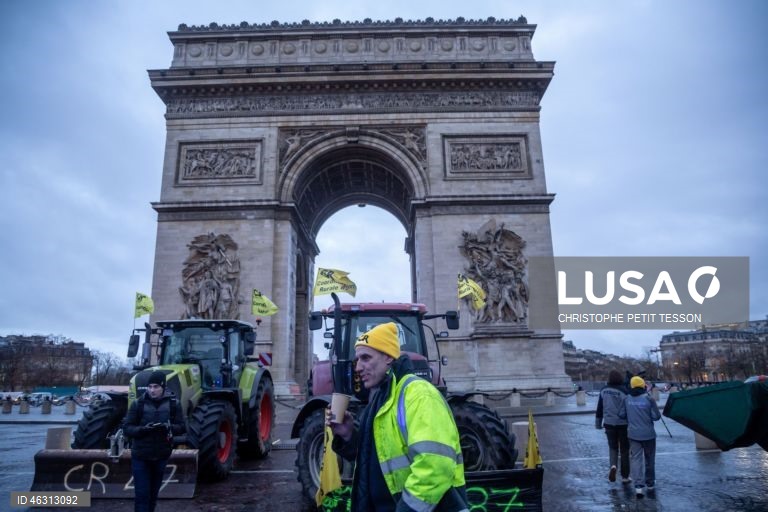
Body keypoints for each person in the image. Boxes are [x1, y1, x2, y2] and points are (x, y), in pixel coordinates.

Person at [328, 322, 468, 511]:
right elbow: (376, 456)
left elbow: (435, 466)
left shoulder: (418, 394)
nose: (358, 367)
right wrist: (348, 435)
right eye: (357, 360)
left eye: (366, 358)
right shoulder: (380, 397)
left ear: (388, 357)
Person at [123, 370, 185, 512]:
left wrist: (168, 428)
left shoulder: (174, 404)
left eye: (156, 387)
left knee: (153, 495)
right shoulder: (138, 404)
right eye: (150, 387)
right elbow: (127, 428)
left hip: (161, 456)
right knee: (142, 495)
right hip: (141, 456)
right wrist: (142, 430)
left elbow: (182, 427)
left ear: (163, 387)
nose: (152, 390)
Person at [619, 375, 661, 499]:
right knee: (649, 459)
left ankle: (638, 486)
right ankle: (650, 483)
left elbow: (621, 414)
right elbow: (656, 417)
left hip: (633, 434)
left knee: (636, 459)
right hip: (648, 434)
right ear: (643, 385)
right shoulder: (649, 399)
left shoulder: (627, 399)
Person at [595, 369, 631, 484]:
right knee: (625, 450)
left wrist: (598, 423)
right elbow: (628, 408)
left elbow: (599, 407)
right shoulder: (624, 391)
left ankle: (613, 466)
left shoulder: (603, 390)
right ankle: (625, 476)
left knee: (612, 447)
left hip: (609, 423)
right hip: (622, 424)